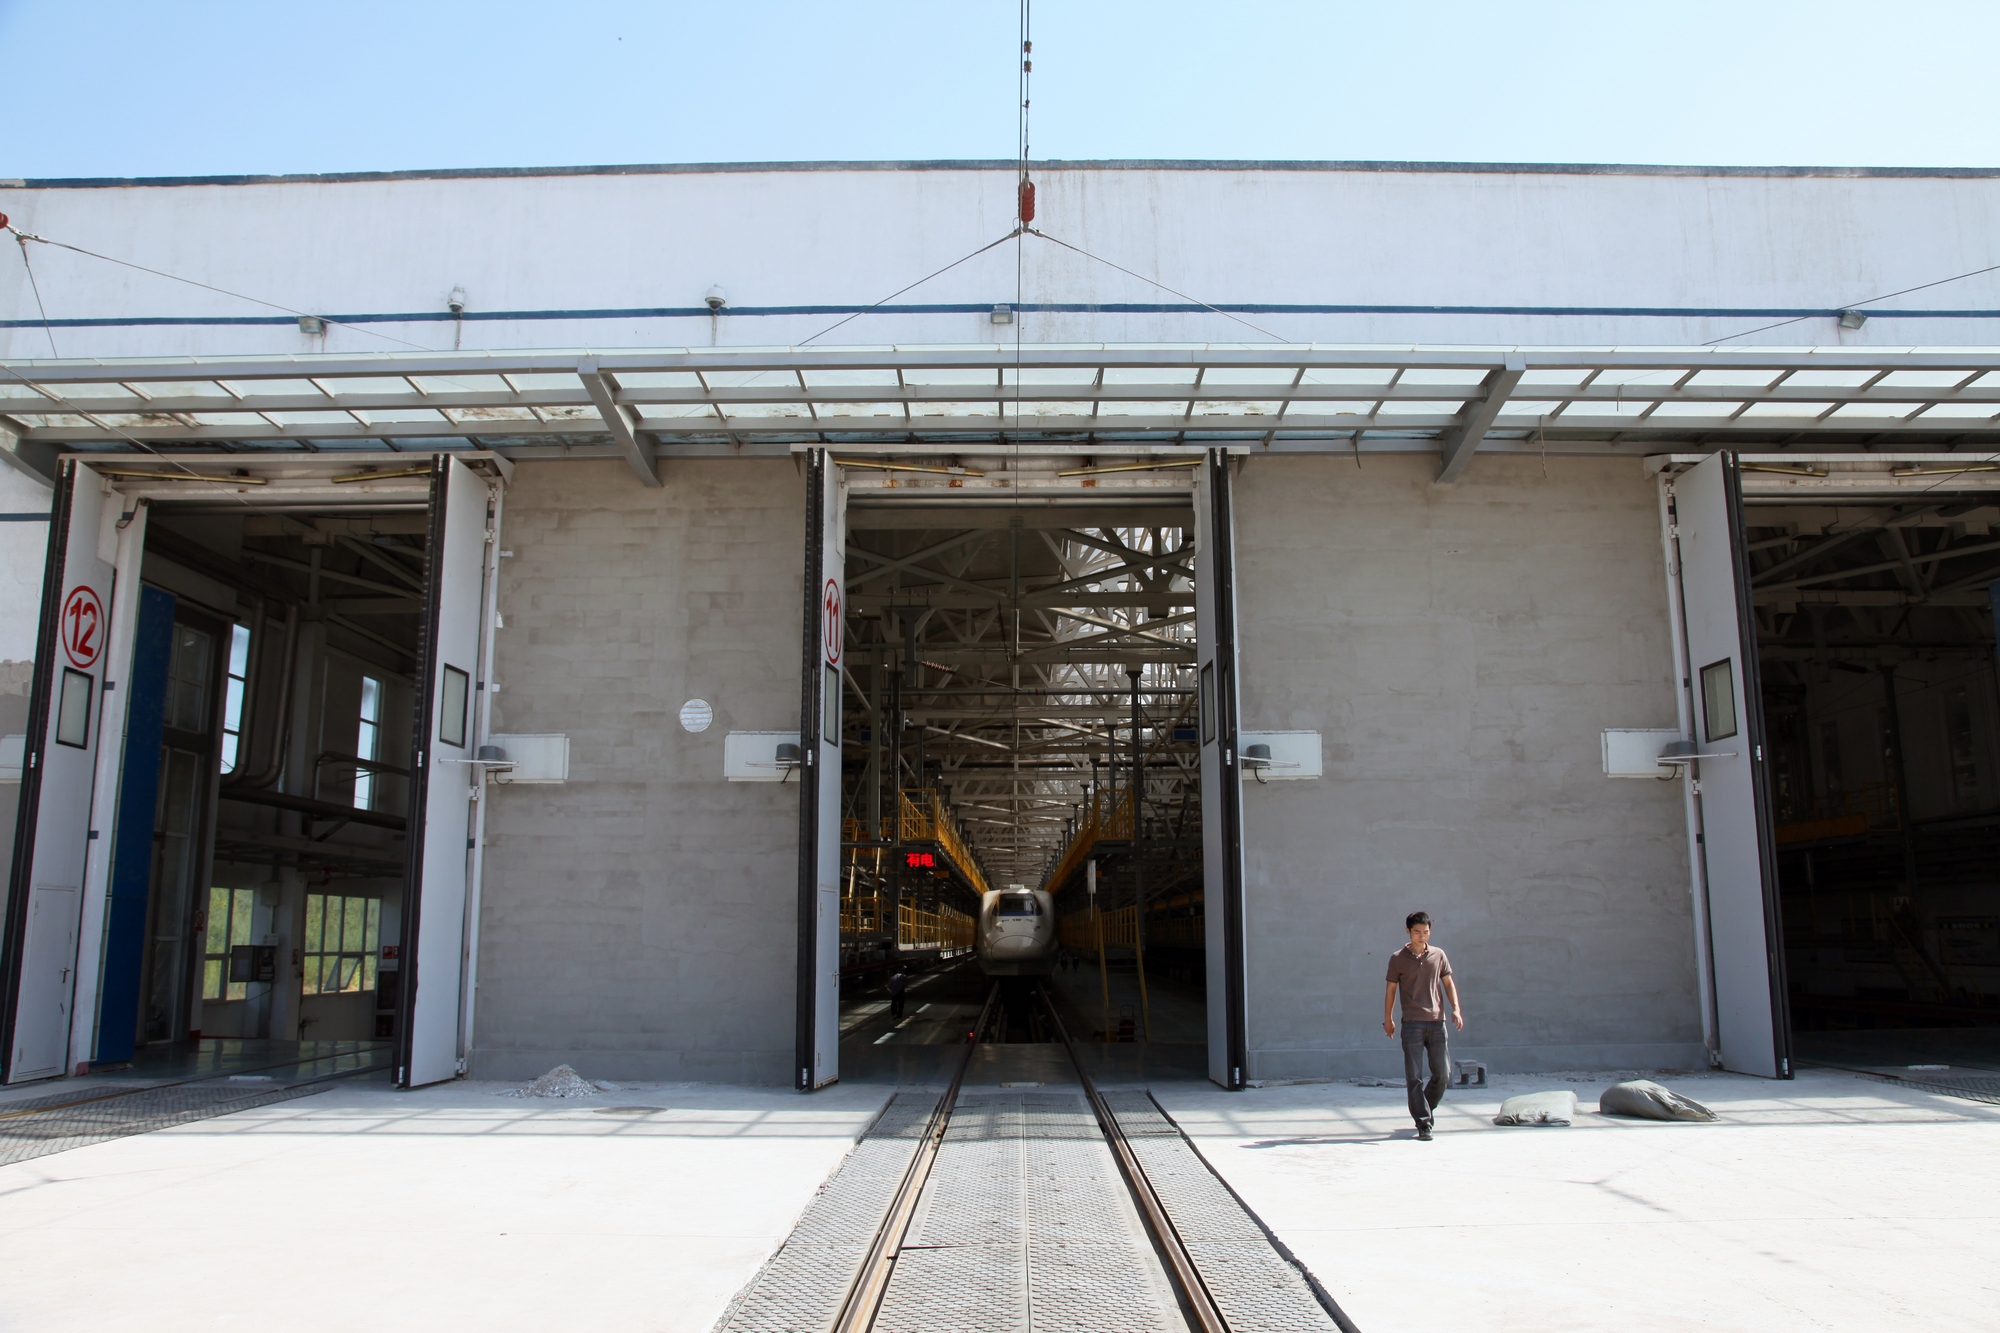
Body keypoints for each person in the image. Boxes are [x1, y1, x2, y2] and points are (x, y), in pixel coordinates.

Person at [1383, 911, 1464, 1141]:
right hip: (1412, 1025)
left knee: (1443, 1074)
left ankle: (1424, 1108)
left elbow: (1448, 983)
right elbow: (1390, 990)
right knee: (1414, 1076)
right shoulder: (1397, 958)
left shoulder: (1438, 955)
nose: (1422, 936)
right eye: (1417, 932)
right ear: (1408, 931)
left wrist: (1456, 1009)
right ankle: (1423, 1123)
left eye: (1426, 932)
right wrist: (1387, 1018)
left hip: (1438, 1023)